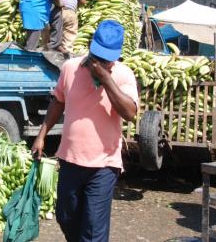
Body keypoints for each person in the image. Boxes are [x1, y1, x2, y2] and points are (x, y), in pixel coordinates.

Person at [32, 20, 138, 242]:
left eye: (107, 60)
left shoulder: (123, 75)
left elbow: (129, 113)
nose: (100, 63)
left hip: (104, 165)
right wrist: (41, 135)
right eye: (97, 56)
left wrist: (106, 78)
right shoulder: (71, 68)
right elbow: (58, 102)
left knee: (92, 228)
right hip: (70, 160)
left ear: (116, 57)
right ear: (91, 47)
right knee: (65, 215)